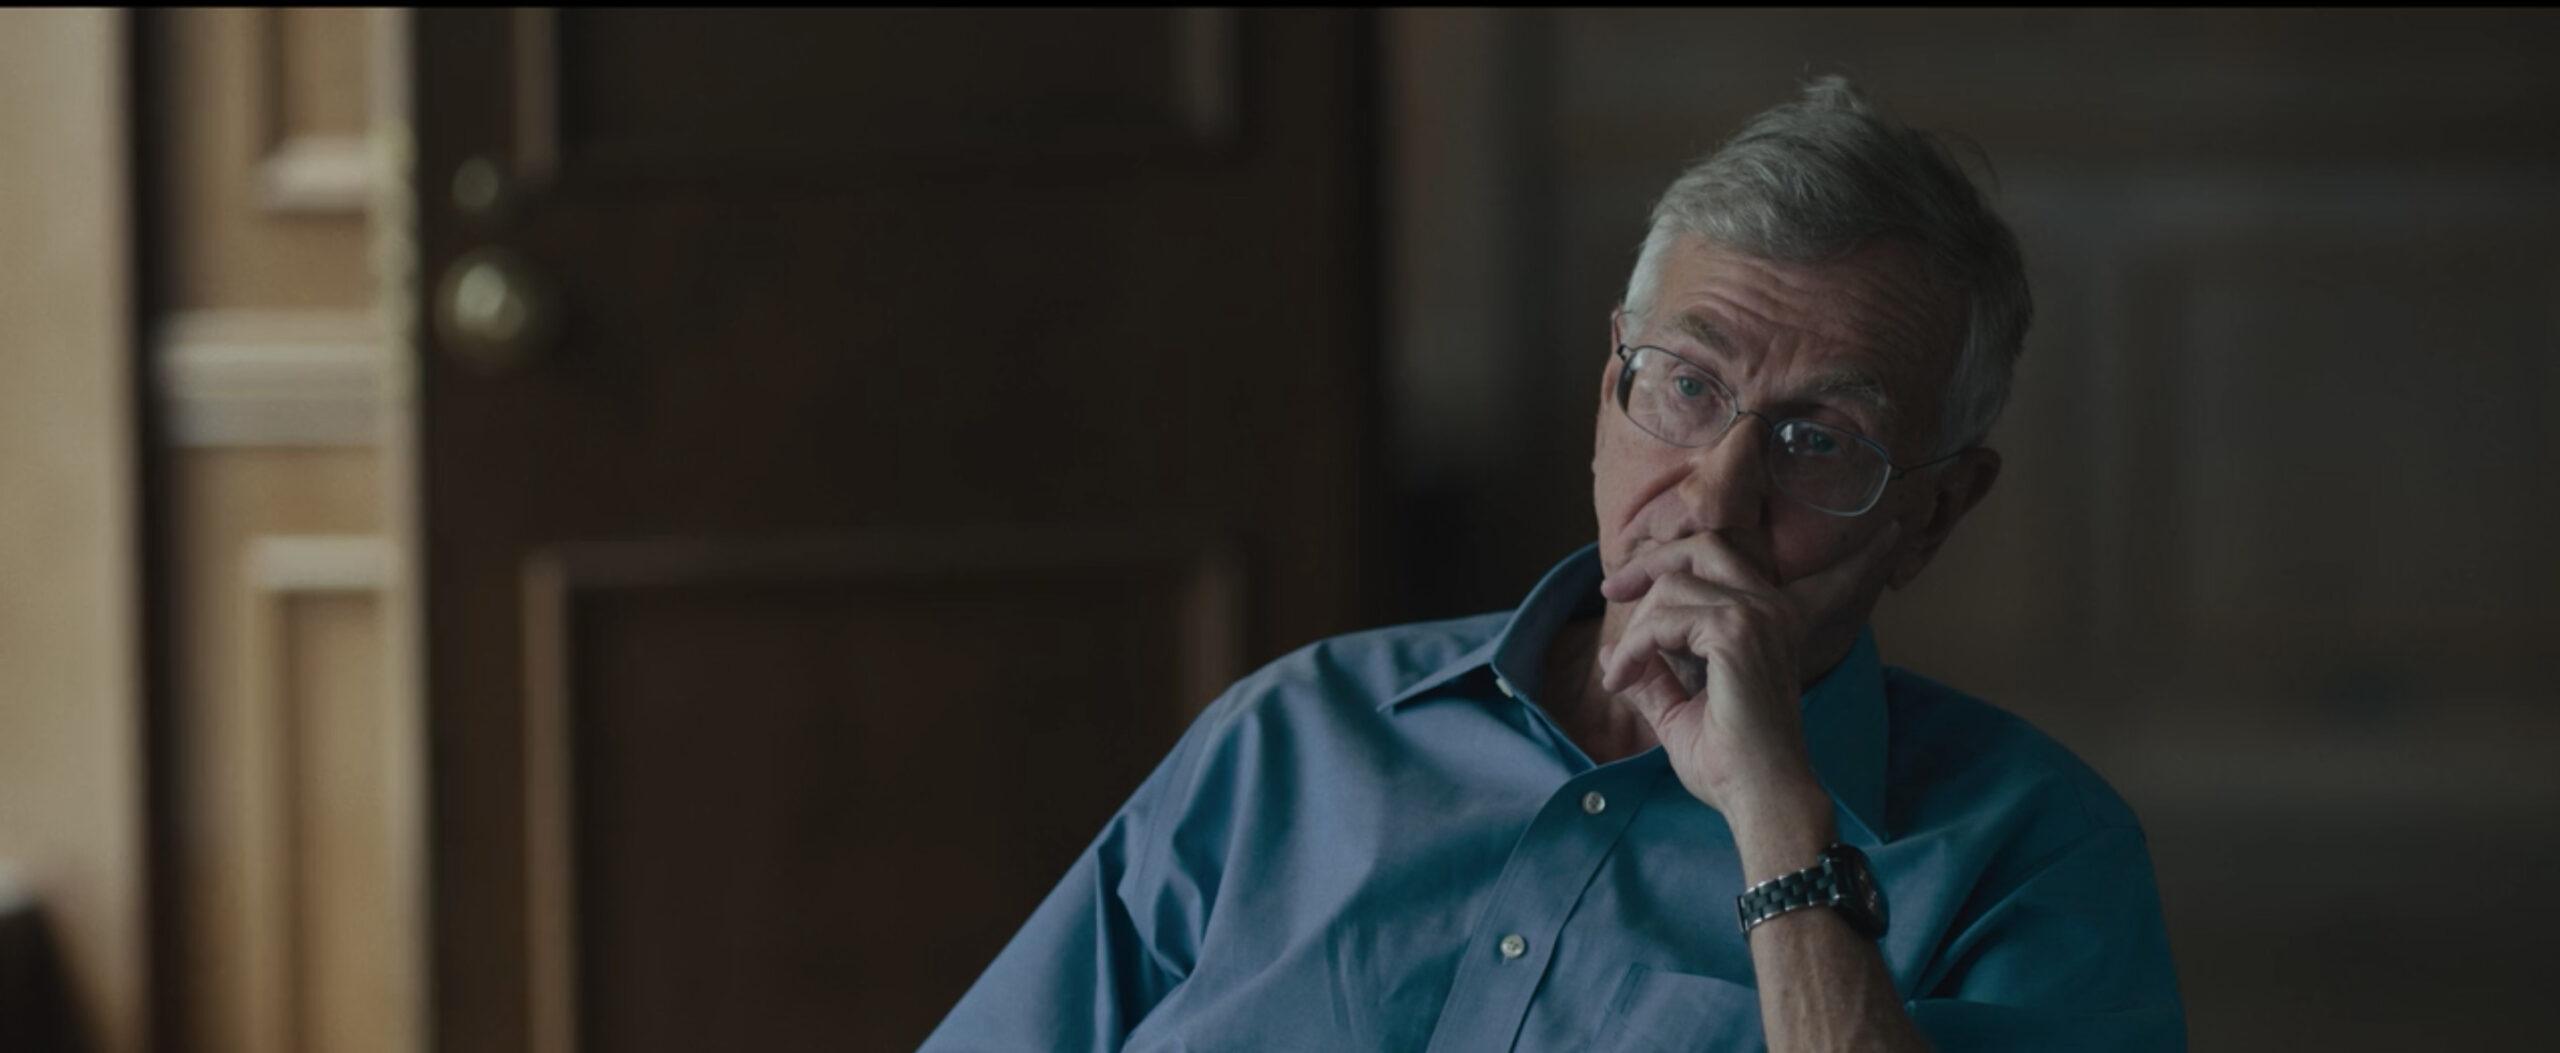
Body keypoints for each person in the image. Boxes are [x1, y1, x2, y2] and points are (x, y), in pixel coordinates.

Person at [923, 76, 2185, 1052]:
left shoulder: (2031, 850)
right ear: (1605, 392)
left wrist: (1774, 819)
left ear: (1933, 511)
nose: (1715, 496)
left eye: (1818, 441)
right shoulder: (1293, 740)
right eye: (1684, 386)